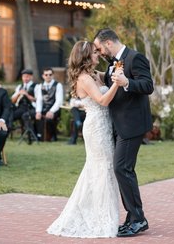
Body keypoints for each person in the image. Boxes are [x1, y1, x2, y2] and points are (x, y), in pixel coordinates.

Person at [47, 40, 120, 238]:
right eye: (95, 53)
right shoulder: (85, 79)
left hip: (104, 126)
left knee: (102, 169)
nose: (98, 55)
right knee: (101, 168)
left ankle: (103, 213)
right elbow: (103, 100)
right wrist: (118, 83)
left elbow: (110, 78)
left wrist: (117, 70)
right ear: (87, 56)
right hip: (96, 127)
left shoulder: (94, 75)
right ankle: (100, 218)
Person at [94, 28, 153, 237]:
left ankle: (139, 219)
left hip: (132, 124)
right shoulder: (113, 63)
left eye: (99, 48)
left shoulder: (135, 58)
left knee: (122, 168)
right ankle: (132, 217)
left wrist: (127, 82)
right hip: (119, 124)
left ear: (108, 43)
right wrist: (100, 76)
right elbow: (113, 82)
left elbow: (148, 85)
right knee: (123, 169)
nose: (99, 52)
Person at [35, 68, 63, 141]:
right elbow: (39, 100)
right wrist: (38, 111)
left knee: (50, 118)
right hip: (44, 109)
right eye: (46, 75)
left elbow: (59, 101)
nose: (48, 76)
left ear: (53, 75)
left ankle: (52, 136)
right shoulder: (40, 86)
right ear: (43, 76)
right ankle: (39, 136)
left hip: (55, 109)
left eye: (50, 74)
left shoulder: (58, 85)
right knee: (35, 116)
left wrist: (51, 111)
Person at [10, 69, 38, 142]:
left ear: (31, 77)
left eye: (28, 76)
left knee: (25, 116)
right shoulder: (19, 86)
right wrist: (19, 94)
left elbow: (37, 100)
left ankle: (31, 136)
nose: (26, 78)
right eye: (24, 76)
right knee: (10, 115)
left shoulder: (36, 86)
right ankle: (6, 133)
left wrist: (27, 95)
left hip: (31, 107)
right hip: (21, 107)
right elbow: (12, 100)